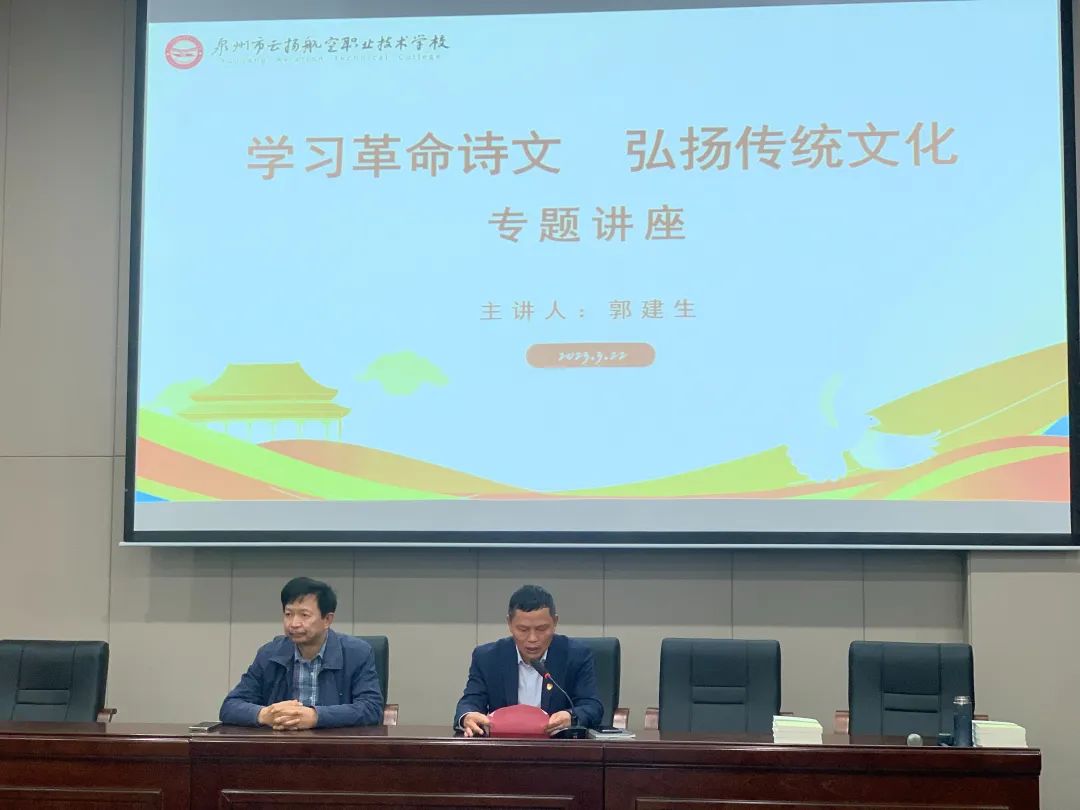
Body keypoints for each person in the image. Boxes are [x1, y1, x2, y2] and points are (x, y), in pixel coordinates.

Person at [220, 577, 383, 729]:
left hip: (336, 744)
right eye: (288, 614)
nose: (294, 623)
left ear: (327, 620)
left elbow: (372, 708)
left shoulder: (357, 653)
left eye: (304, 615)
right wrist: (265, 715)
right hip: (280, 744)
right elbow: (230, 706)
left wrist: (316, 717)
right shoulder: (269, 654)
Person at [454, 584, 603, 737]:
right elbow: (470, 702)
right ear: (509, 623)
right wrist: (467, 716)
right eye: (523, 630)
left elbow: (592, 706)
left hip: (557, 746)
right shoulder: (487, 657)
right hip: (504, 745)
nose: (532, 638)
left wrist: (571, 716)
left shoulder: (576, 655)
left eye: (541, 629)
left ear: (555, 622)